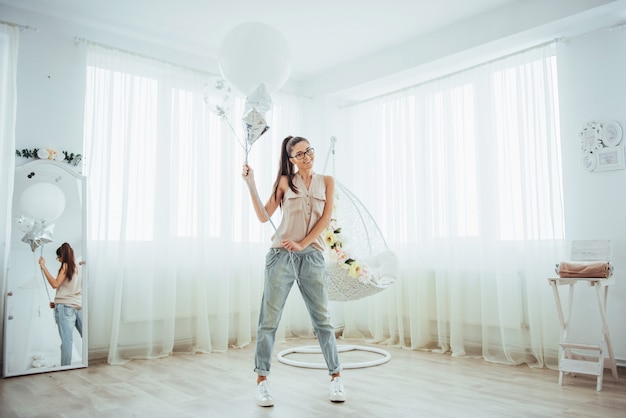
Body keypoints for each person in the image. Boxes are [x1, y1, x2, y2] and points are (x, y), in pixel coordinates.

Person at [242, 135, 346, 407]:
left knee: (323, 321)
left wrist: (303, 243)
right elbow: (264, 216)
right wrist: (250, 183)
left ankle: (336, 377)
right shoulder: (285, 182)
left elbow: (325, 219)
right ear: (291, 160)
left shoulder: (327, 181)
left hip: (311, 256)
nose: (307, 156)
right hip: (281, 257)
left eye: (309, 150)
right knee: (269, 321)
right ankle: (262, 382)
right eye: (300, 154)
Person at [39, 242, 83, 366]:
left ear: (62, 256)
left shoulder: (65, 265)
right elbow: (74, 290)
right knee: (86, 336)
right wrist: (58, 301)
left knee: (67, 341)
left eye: (58, 257)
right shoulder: (79, 267)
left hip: (65, 308)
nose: (58, 260)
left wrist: (43, 267)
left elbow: (55, 284)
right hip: (78, 306)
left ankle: (65, 368)